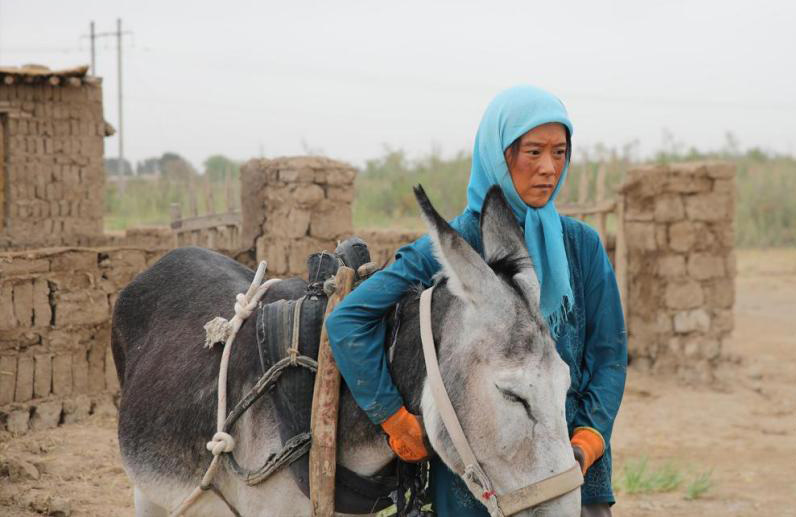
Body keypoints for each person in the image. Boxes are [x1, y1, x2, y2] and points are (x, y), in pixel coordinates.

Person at [326, 85, 627, 517]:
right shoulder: (453, 247)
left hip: (572, 469)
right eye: (534, 152)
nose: (549, 168)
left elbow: (610, 357)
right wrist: (392, 416)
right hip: (479, 480)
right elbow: (349, 319)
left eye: (560, 153)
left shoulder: (581, 246)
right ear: (499, 154)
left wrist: (589, 439)